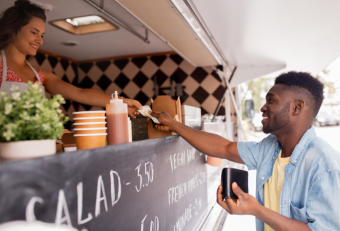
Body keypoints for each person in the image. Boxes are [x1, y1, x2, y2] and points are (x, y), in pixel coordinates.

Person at [150, 71, 340, 231]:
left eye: (271, 100)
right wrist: (174, 125)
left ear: (297, 107)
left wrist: (257, 210)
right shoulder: (270, 148)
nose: (263, 108)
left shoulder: (325, 165)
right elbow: (224, 148)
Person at [0, 0, 142, 118]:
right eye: (34, 32)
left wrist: (120, 102)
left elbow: (79, 93)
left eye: (42, 35)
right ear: (13, 29)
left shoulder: (41, 75)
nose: (39, 40)